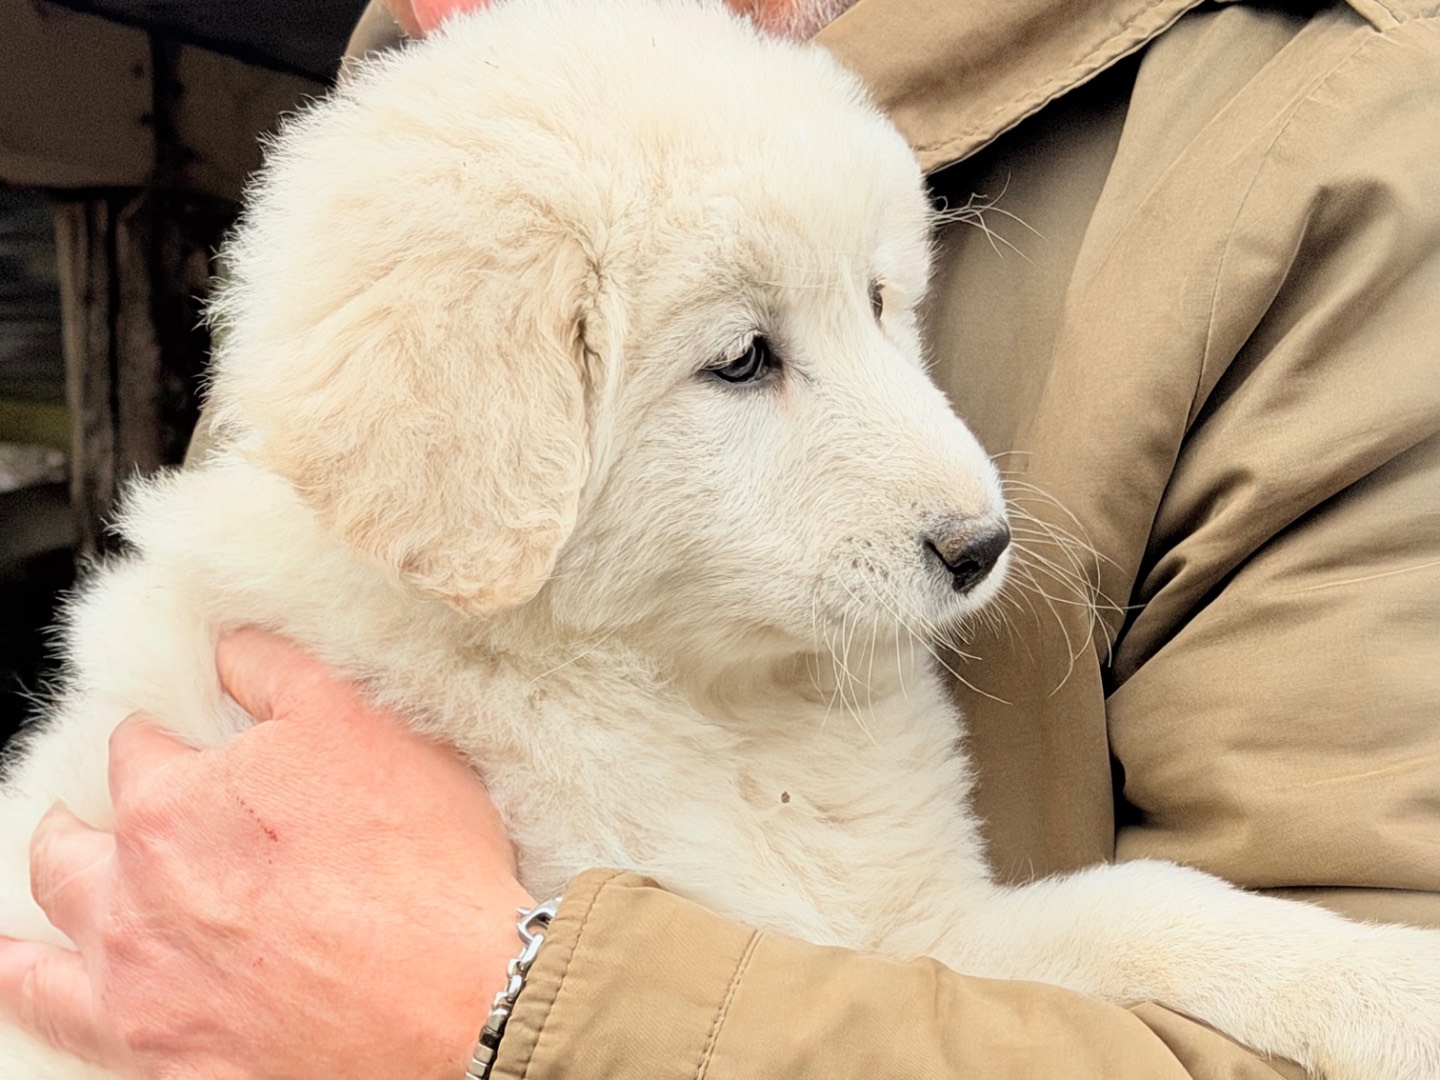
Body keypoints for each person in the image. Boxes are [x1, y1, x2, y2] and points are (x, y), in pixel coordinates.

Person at [3, 0, 1438, 1076]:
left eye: (888, 304)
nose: (962, 501)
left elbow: (938, 959)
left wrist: (498, 1001)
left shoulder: (1319, 131)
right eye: (745, 359)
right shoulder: (317, 641)